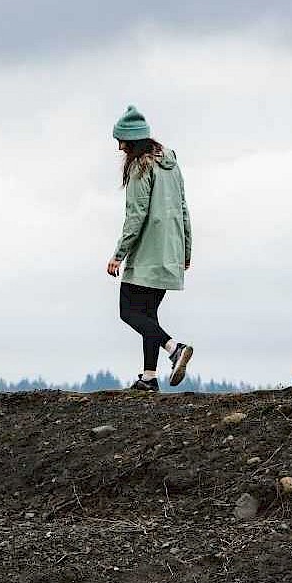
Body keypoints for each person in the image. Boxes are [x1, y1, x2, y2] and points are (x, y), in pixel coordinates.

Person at [104, 106, 194, 392]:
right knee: (148, 315)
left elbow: (136, 214)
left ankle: (173, 348)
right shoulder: (171, 163)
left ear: (132, 141)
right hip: (171, 251)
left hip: (147, 255)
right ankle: (149, 377)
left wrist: (119, 255)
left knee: (128, 311)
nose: (119, 147)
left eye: (122, 141)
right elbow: (183, 208)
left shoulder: (140, 167)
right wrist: (186, 250)